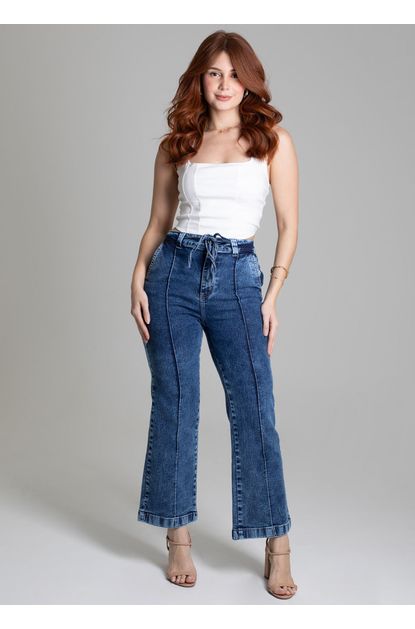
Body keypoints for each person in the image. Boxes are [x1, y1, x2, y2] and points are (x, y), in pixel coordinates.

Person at [130, 30, 299, 599]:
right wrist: (137, 276)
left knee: (255, 409)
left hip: (237, 278)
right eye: (214, 73)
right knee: (175, 403)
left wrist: (272, 294)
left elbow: (289, 225)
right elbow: (158, 222)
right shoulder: (177, 143)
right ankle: (177, 536)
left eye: (234, 74)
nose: (224, 85)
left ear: (249, 81)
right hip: (172, 274)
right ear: (199, 79)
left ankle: (277, 545)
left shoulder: (272, 140)